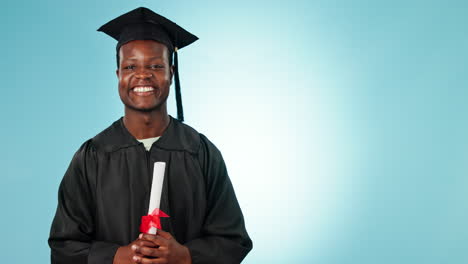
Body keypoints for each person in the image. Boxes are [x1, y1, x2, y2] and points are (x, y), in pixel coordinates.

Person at [48, 7, 252, 264]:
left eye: (156, 65)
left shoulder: (200, 152)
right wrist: (117, 257)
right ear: (118, 76)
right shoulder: (93, 156)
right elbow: (64, 247)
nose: (142, 74)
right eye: (130, 65)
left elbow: (233, 240)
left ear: (171, 74)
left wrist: (185, 256)